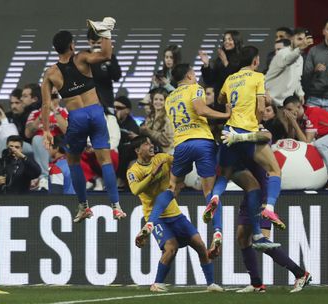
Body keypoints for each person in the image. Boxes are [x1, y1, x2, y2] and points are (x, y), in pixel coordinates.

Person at [40, 18, 126, 223]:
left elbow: (45, 105)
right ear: (72, 45)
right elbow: (106, 54)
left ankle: (83, 207)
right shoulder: (82, 58)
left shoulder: (50, 73)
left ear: (55, 49)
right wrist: (105, 33)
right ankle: (116, 206)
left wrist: (46, 131)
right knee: (105, 159)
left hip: (76, 118)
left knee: (73, 160)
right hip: (96, 112)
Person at [128, 136, 224, 293]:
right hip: (156, 217)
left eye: (151, 143)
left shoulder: (162, 158)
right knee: (171, 248)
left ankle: (211, 284)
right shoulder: (134, 171)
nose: (151, 146)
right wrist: (152, 175)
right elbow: (135, 190)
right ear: (137, 150)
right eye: (146, 144)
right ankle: (157, 283)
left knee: (200, 245)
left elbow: (181, 164)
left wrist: (194, 157)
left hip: (175, 213)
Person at [209, 46, 286, 236]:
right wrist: (257, 122)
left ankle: (216, 196)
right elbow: (261, 106)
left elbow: (221, 98)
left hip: (228, 131)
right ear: (256, 61)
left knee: (225, 174)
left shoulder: (230, 78)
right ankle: (269, 207)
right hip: (247, 131)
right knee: (274, 170)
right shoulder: (258, 77)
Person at [155, 63, 230, 253]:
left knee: (173, 187)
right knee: (209, 192)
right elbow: (201, 110)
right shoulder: (195, 88)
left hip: (181, 144)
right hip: (203, 142)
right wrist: (226, 114)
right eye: (194, 74)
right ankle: (218, 232)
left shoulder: (169, 98)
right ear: (189, 76)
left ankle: (152, 222)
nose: (196, 77)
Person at [232, 161, 311, 293]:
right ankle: (256, 284)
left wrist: (266, 202)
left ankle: (300, 274)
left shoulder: (258, 148)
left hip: (260, 195)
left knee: (262, 240)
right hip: (250, 194)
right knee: (242, 237)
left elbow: (268, 172)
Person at [283, 95, 328, 183]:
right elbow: (291, 140)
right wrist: (290, 124)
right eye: (286, 111)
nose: (288, 114)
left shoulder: (312, 112)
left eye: (290, 110)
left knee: (318, 144)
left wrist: (294, 123)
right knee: (311, 146)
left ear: (299, 107)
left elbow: (307, 141)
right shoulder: (299, 118)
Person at [24, 89, 68, 191]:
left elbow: (67, 130)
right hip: (37, 149)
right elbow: (27, 134)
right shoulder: (35, 113)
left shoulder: (63, 111)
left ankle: (43, 177)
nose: (50, 100)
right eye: (48, 97)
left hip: (55, 149)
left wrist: (54, 111)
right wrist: (41, 115)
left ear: (58, 99)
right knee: (18, 143)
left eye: (53, 97)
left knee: (38, 138)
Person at [265, 28, 313, 107]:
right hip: (273, 100)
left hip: (291, 100)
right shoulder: (274, 57)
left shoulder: (302, 58)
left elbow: (297, 78)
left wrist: (300, 94)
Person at [87, 28, 122, 111]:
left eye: (99, 43)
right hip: (88, 103)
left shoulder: (110, 57)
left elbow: (117, 77)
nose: (96, 45)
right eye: (93, 43)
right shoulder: (83, 58)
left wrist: (107, 61)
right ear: (88, 42)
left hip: (107, 102)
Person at [139, 88, 173, 154]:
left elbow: (167, 141)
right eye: (156, 99)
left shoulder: (168, 118)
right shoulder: (150, 116)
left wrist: (149, 132)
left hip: (166, 153)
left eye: (161, 100)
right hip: (152, 152)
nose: (158, 102)